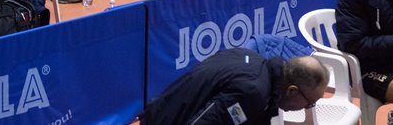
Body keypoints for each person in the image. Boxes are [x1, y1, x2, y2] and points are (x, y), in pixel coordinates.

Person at [140, 48, 329, 125]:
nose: (307, 108)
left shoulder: (257, 62)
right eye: (309, 103)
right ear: (292, 90)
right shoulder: (252, 92)